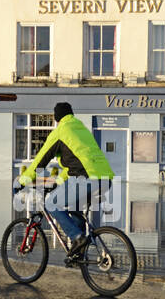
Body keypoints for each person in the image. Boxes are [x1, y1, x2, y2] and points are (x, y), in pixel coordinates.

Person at [17, 102, 115, 259]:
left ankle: (77, 238)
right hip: (105, 179)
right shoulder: (81, 129)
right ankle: (79, 254)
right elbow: (75, 163)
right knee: (75, 210)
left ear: (57, 119)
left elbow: (40, 161)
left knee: (51, 204)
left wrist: (22, 181)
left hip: (86, 179)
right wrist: (58, 182)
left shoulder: (61, 131)